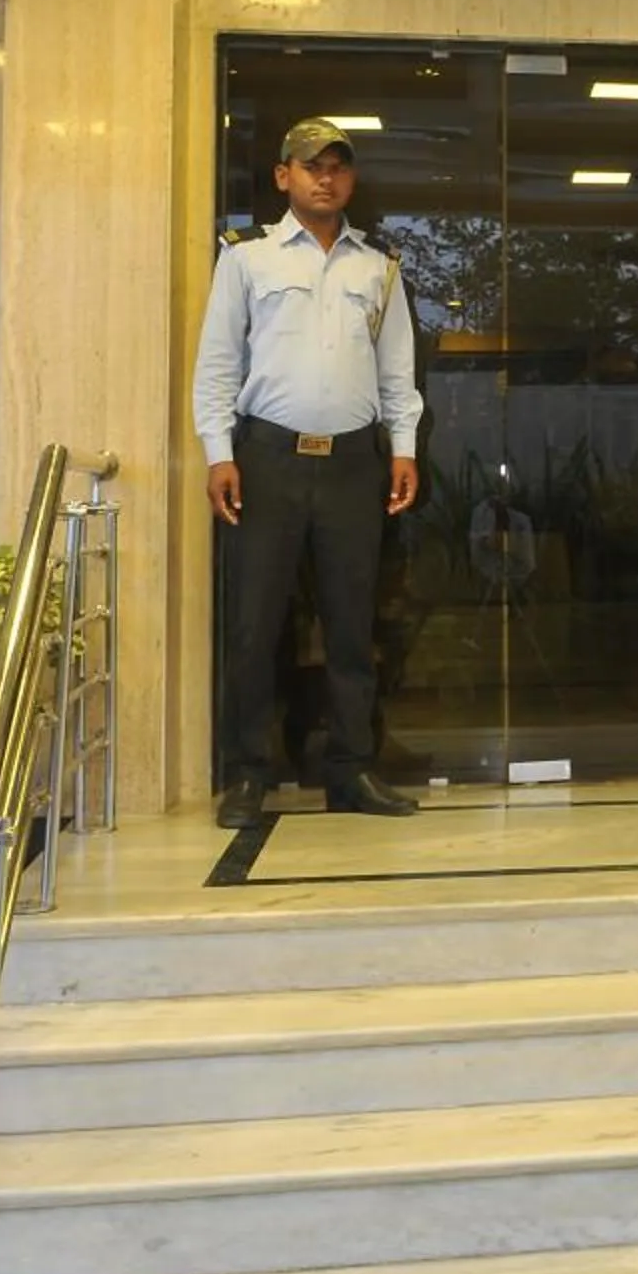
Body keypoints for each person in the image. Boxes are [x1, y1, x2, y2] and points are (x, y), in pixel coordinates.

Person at [192, 117, 425, 827]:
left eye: (337, 167)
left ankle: (351, 769)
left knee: (354, 626)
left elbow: (397, 373)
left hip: (355, 463)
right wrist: (219, 454)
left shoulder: (378, 267)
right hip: (267, 458)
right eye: (310, 165)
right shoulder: (245, 260)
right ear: (282, 175)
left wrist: (404, 446)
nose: (326, 177)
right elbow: (218, 367)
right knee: (256, 625)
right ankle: (249, 775)